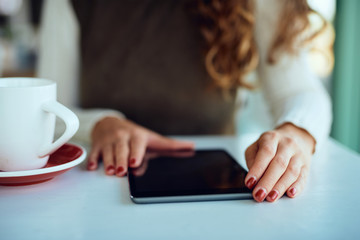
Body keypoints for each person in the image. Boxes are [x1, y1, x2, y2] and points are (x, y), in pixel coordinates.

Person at [37, 0, 332, 203]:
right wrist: (100, 124)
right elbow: (49, 107)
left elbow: (299, 91)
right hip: (96, 188)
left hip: (218, 196)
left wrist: (297, 133)